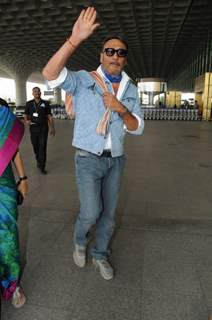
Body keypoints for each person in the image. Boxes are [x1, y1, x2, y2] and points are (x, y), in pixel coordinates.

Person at [42, 6, 144, 280]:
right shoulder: (85, 80)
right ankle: (79, 239)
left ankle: (100, 254)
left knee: (109, 217)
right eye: (110, 51)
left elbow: (137, 128)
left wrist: (121, 108)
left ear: (125, 59)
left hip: (116, 159)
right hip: (88, 158)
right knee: (91, 212)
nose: (115, 56)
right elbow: (50, 74)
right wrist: (74, 39)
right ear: (102, 55)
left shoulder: (131, 90)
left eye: (121, 52)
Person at [0, 99, 28, 307]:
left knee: (7, 233)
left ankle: (12, 283)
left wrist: (23, 178)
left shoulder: (2, 112)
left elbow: (13, 148)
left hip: (3, 184)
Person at [24, 87, 55, 174]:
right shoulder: (29, 103)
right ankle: (38, 160)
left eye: (38, 91)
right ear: (32, 93)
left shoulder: (45, 103)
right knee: (35, 146)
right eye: (35, 91)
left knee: (42, 146)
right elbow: (25, 114)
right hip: (33, 128)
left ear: (40, 93)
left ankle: (42, 166)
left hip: (43, 128)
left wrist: (52, 127)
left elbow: (49, 116)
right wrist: (26, 120)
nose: (37, 93)